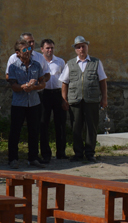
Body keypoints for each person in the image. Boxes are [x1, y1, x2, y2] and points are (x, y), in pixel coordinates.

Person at [60, 36, 108, 163]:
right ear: (75, 50)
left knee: (91, 127)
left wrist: (104, 98)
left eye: (83, 46)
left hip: (91, 100)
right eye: (78, 47)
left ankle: (90, 153)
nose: (81, 49)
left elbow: (102, 81)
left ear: (87, 47)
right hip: (75, 100)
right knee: (76, 127)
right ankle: (78, 153)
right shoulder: (70, 64)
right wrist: (64, 99)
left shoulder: (96, 62)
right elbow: (64, 83)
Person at [6, 32, 51, 164]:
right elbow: (13, 85)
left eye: (29, 49)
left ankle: (33, 157)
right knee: (15, 131)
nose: (27, 52)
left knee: (34, 130)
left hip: (34, 103)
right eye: (24, 50)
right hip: (18, 103)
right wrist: (24, 86)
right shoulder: (13, 66)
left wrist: (34, 87)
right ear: (18, 53)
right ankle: (13, 158)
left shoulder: (36, 65)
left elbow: (43, 83)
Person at [39, 39, 67, 163]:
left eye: (51, 48)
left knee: (60, 124)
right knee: (43, 123)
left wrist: (64, 98)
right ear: (42, 49)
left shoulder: (60, 62)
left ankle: (61, 152)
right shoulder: (38, 62)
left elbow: (65, 80)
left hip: (57, 94)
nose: (50, 50)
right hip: (44, 95)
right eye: (47, 48)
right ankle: (45, 153)